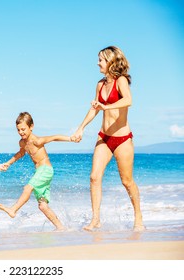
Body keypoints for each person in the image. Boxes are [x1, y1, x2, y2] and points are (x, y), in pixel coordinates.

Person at [71, 46, 145, 231]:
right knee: (94, 177)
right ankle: (96, 219)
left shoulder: (121, 81)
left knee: (127, 181)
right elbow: (95, 108)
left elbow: (128, 100)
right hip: (104, 137)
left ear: (111, 61)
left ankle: (138, 218)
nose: (98, 63)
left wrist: (106, 107)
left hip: (122, 139)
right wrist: (80, 128)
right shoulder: (100, 84)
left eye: (101, 60)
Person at [0, 112, 74, 231]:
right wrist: (9, 162)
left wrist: (70, 138)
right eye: (18, 130)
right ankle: (61, 227)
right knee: (43, 206)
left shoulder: (36, 140)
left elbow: (54, 137)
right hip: (40, 172)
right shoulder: (22, 143)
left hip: (45, 170)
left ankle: (13, 209)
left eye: (23, 129)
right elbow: (21, 153)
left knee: (27, 188)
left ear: (31, 127)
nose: (21, 132)